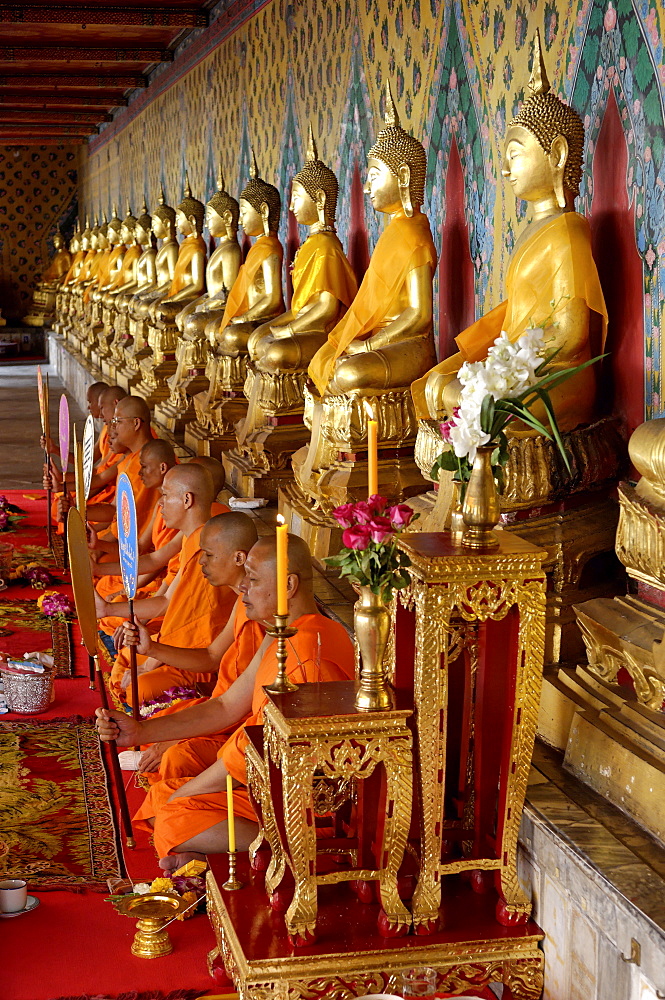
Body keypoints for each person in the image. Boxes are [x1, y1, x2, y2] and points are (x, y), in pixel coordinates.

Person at [96, 534, 354, 865]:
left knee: (174, 815)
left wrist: (188, 795)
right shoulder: (281, 632)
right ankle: (213, 847)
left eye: (254, 579)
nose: (242, 587)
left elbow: (266, 757)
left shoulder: (307, 654)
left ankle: (305, 853)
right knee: (165, 797)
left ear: (289, 585)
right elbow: (227, 705)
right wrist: (140, 732)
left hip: (302, 798)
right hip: (256, 767)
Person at [119, 511, 261, 776]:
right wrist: (151, 649)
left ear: (239, 558)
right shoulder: (244, 602)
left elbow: (244, 708)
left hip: (243, 722)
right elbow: (210, 656)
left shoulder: (262, 612)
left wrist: (179, 738)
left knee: (177, 757)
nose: (202, 563)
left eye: (208, 555)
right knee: (159, 723)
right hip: (224, 705)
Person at [98, 464, 237, 705]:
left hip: (196, 659)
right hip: (175, 645)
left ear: (186, 500)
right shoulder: (192, 537)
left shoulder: (210, 549)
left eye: (165, 495)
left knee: (135, 689)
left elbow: (194, 629)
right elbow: (170, 603)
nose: (160, 503)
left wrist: (151, 661)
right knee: (126, 660)